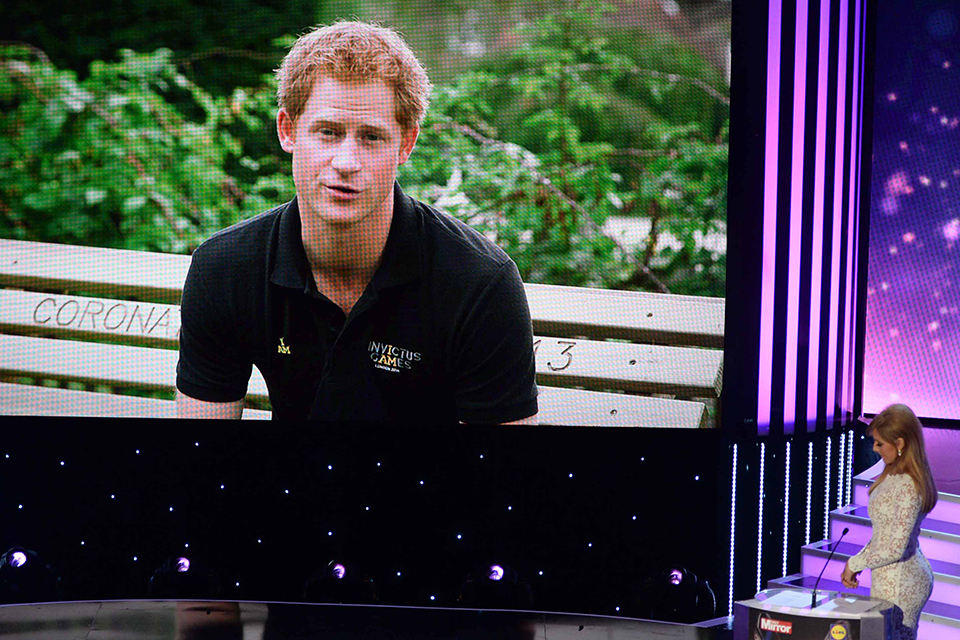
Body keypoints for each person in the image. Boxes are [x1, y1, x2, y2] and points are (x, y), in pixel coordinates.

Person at [175, 21, 539, 424]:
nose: (346, 163)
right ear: (287, 130)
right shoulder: (226, 268)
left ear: (406, 143)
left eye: (371, 137)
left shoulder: (479, 283)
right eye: (327, 132)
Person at [841, 404, 938, 640]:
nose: (875, 449)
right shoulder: (891, 473)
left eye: (880, 443)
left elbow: (895, 547)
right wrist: (858, 561)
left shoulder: (909, 485)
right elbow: (881, 535)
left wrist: (856, 563)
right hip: (887, 576)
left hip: (903, 581)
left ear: (900, 444)